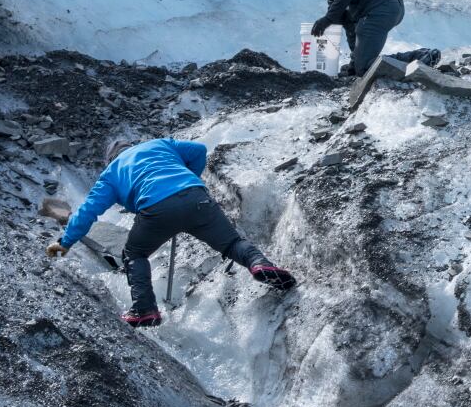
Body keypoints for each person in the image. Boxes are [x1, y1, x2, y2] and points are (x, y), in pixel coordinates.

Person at [46, 138, 296, 326]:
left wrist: (65, 243)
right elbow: (198, 151)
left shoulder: (111, 173)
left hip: (156, 210)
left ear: (111, 158)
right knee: (231, 243)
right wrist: (188, 179)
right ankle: (260, 265)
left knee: (135, 253)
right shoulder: (159, 145)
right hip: (196, 197)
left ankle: (145, 310)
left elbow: (88, 211)